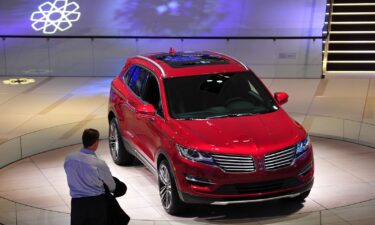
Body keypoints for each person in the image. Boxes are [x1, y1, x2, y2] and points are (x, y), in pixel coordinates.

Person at [64, 128, 129, 225]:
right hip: (96, 204)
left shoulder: (69, 158)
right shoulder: (99, 163)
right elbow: (112, 187)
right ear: (96, 142)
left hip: (77, 204)